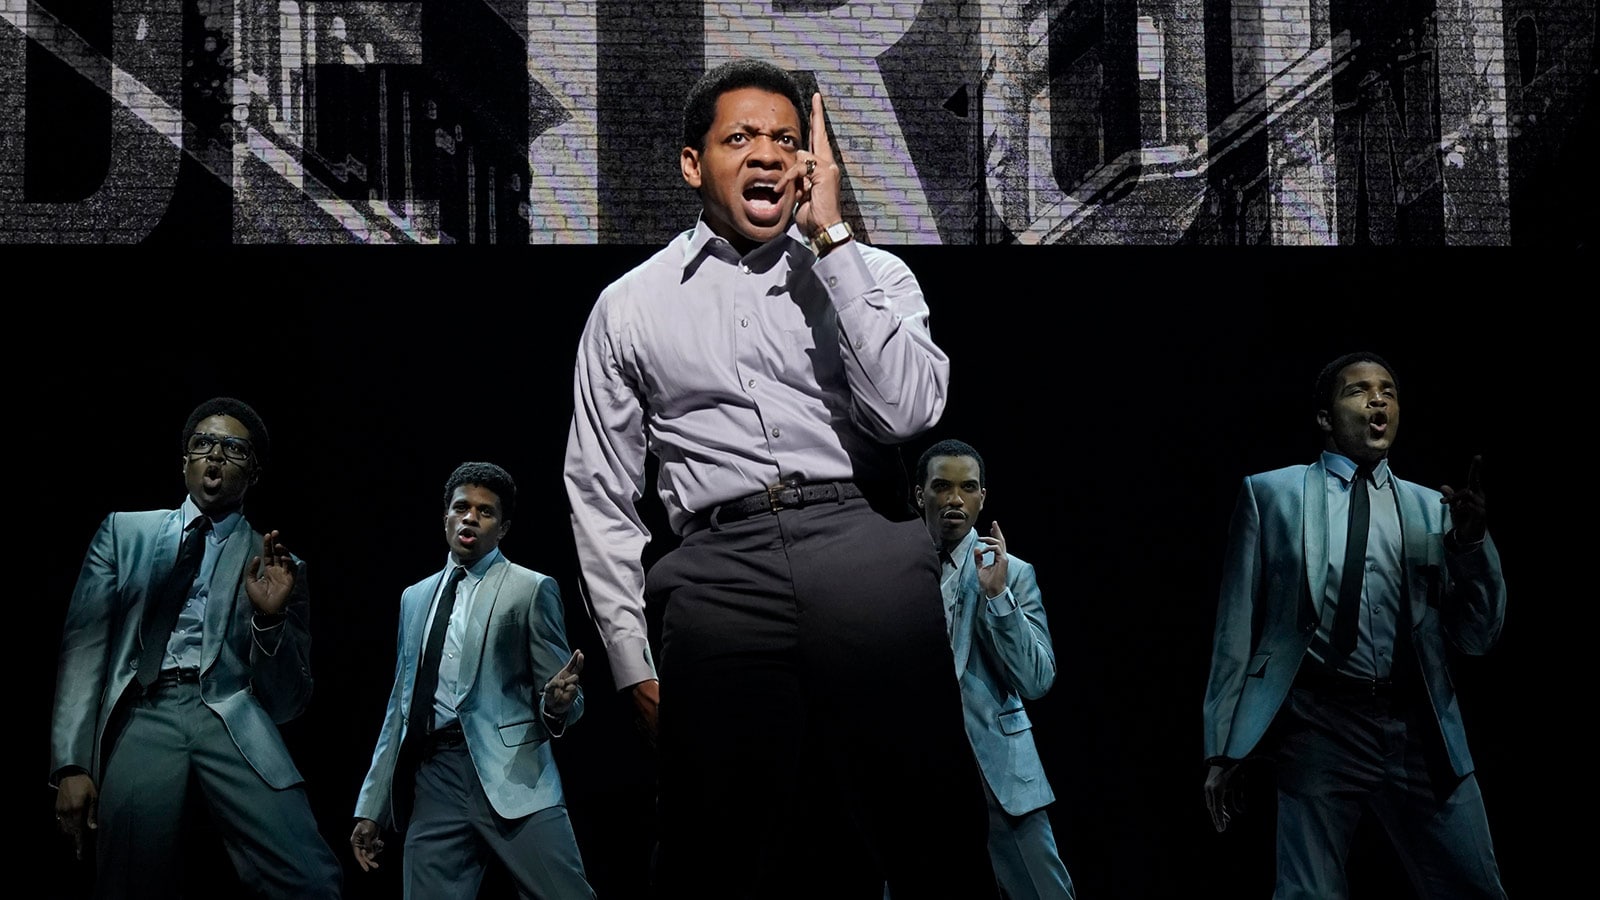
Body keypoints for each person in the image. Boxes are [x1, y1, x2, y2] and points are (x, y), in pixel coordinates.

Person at [563, 58, 995, 898]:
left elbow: (910, 413)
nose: (767, 154)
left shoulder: (874, 275)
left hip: (860, 541)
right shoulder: (629, 304)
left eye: (786, 141)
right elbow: (599, 490)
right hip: (719, 570)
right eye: (740, 138)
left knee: (930, 826)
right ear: (694, 164)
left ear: (808, 163)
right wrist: (628, 660)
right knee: (708, 845)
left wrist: (834, 242)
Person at [1202, 351, 1508, 898]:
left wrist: (1470, 545)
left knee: (1474, 888)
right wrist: (1223, 746)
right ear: (1325, 417)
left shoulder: (1432, 509)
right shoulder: (1272, 494)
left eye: (1388, 390)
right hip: (1320, 725)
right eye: (1358, 390)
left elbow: (1477, 636)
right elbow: (1234, 632)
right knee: (1308, 893)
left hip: (1416, 726)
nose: (1377, 399)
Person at [49, 396, 342, 899]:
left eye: (233, 449)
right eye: (202, 444)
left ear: (253, 472)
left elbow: (288, 702)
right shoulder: (125, 532)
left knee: (310, 879)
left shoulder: (278, 563)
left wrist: (270, 618)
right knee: (127, 880)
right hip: (145, 709)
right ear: (184, 460)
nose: (214, 456)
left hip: (229, 714)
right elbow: (84, 650)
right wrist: (72, 763)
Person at [351, 462, 593, 899]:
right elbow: (399, 708)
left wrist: (557, 704)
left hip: (515, 775)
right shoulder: (415, 597)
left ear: (502, 529)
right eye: (461, 507)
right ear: (445, 516)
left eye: (485, 512)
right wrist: (372, 808)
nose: (470, 518)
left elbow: (565, 695)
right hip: (434, 776)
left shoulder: (531, 588)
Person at [913, 439, 1075, 900]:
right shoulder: (898, 574)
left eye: (967, 487)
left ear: (983, 496)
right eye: (942, 486)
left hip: (998, 772)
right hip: (917, 769)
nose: (954, 499)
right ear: (920, 494)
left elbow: (1038, 680)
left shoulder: (1013, 573)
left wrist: (998, 598)